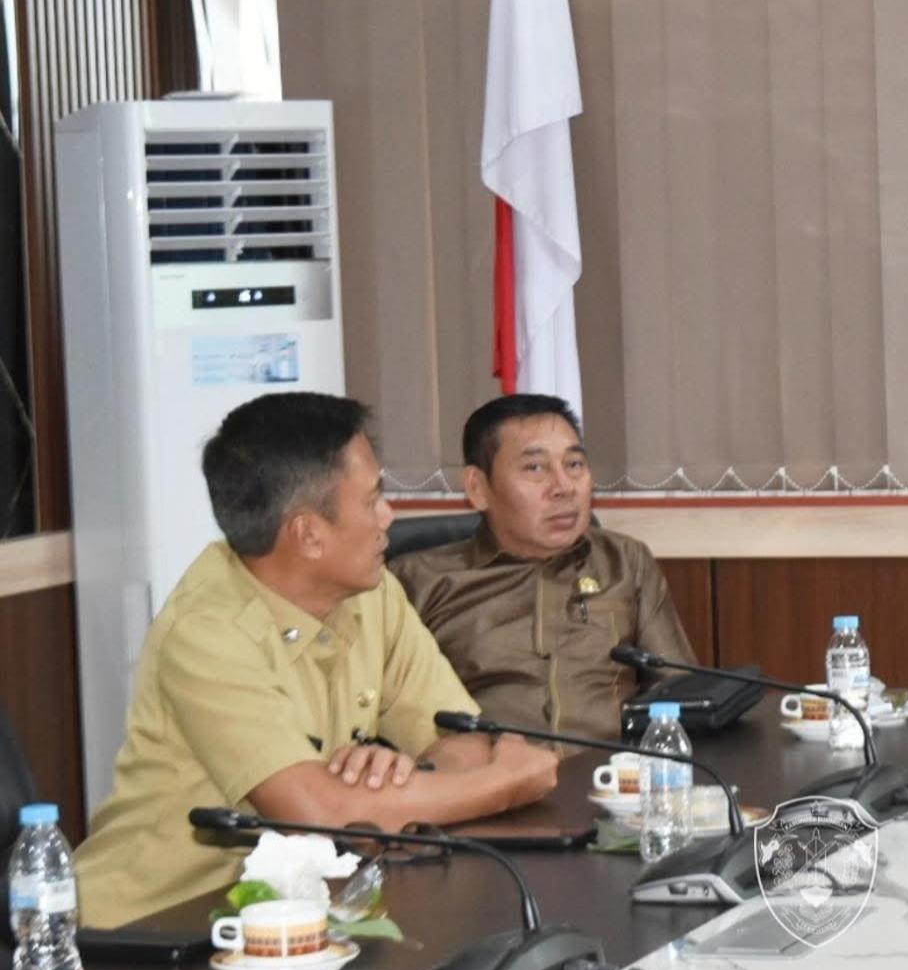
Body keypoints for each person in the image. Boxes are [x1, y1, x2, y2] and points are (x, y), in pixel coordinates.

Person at [75, 394, 560, 927]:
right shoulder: (207, 631)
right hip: (151, 930)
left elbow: (461, 741)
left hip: (296, 912)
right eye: (373, 499)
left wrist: (401, 783)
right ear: (308, 533)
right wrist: (505, 785)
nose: (389, 516)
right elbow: (316, 814)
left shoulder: (371, 594)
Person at [390, 395, 695, 743]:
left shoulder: (625, 561)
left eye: (574, 464)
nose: (564, 487)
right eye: (535, 468)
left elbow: (680, 692)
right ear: (478, 488)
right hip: (488, 773)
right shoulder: (417, 581)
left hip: (613, 771)